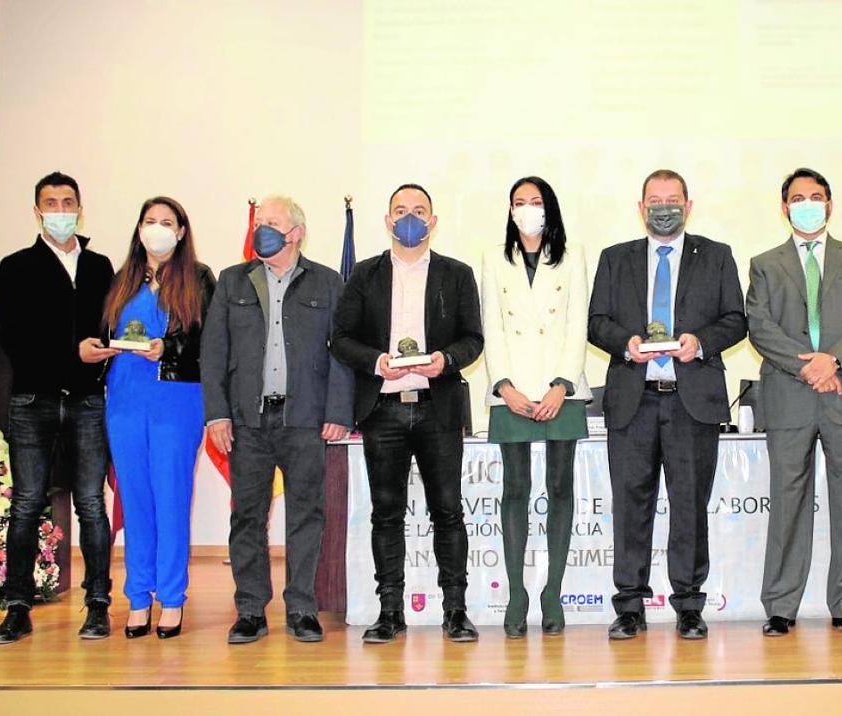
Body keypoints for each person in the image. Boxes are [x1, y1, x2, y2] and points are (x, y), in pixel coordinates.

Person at [587, 169, 747, 641]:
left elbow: (736, 319)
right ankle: (630, 605)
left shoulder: (716, 256)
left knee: (689, 507)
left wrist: (700, 343)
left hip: (691, 401)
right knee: (631, 506)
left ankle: (689, 605)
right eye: (654, 199)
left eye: (672, 199)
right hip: (633, 401)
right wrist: (625, 342)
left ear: (688, 205)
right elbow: (597, 321)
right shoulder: (615, 259)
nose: (664, 207)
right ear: (640, 208)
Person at [331, 184, 484, 643]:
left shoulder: (457, 274)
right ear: (387, 221)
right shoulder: (364, 274)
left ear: (433, 222)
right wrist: (375, 361)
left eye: (419, 211)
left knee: (449, 513)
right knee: (386, 515)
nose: (410, 219)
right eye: (401, 211)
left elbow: (472, 339)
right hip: (383, 411)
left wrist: (445, 360)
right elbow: (341, 337)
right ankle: (389, 612)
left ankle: (455, 611)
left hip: (438, 409)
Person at [200, 195, 354, 644]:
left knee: (306, 516)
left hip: (305, 420)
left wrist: (338, 411)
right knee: (247, 516)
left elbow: (341, 354)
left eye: (271, 222)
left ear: (296, 232)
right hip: (247, 422)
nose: (260, 227)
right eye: (258, 221)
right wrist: (217, 414)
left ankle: (302, 607)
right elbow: (213, 354)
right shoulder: (233, 281)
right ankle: (250, 608)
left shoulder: (327, 283)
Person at [746, 167, 842, 637]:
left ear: (830, 203)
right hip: (790, 395)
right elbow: (760, 326)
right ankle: (781, 605)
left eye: (816, 195)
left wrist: (835, 361)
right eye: (798, 197)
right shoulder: (764, 263)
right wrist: (809, 366)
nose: (808, 203)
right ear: (785, 207)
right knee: (788, 503)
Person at [0, 171, 115, 644]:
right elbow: (15, 337)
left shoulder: (102, 267)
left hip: (87, 403)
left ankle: (97, 604)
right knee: (26, 505)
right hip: (31, 402)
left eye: (68, 202)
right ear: (37, 211)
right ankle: (17, 608)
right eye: (51, 203)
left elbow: (115, 327)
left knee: (90, 505)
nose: (61, 210)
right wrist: (71, 354)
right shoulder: (15, 266)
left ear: (80, 208)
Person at [100, 196, 215, 639]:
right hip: (125, 400)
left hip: (176, 399)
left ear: (182, 232)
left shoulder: (200, 278)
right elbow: (102, 333)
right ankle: (137, 595)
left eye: (167, 222)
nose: (158, 229)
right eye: (150, 221)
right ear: (139, 228)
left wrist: (170, 348)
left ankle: (171, 597)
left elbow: (208, 344)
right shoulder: (120, 280)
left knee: (170, 497)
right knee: (135, 498)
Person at [481, 176, 590, 638]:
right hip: (512, 391)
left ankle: (553, 592)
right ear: (509, 211)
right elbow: (492, 326)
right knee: (516, 490)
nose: (528, 209)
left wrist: (560, 385)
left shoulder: (572, 255)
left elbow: (576, 323)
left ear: (551, 209)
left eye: (536, 202)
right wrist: (505, 387)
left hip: (559, 389)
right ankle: (517, 594)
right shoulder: (493, 258)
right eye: (519, 203)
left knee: (560, 487)